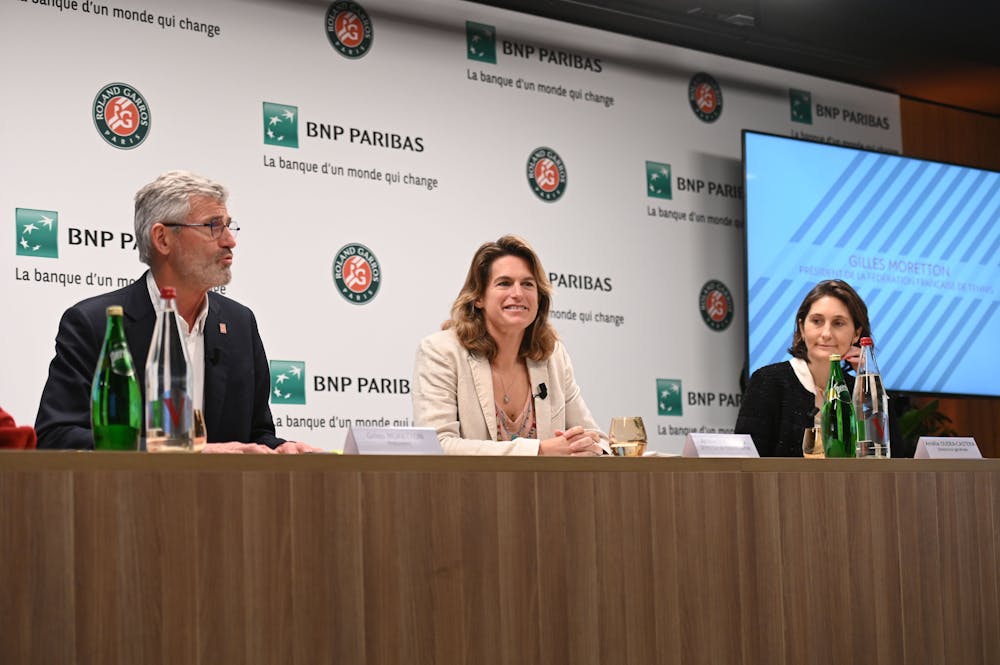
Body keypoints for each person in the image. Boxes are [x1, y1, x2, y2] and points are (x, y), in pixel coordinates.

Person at [35, 170, 319, 454]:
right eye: (213, 226)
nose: (230, 240)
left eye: (229, 226)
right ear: (162, 239)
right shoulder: (94, 323)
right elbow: (58, 437)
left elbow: (256, 434)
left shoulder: (239, 323)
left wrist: (283, 449)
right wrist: (182, 452)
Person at [412, 235, 608, 456]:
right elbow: (437, 445)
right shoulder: (441, 352)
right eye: (504, 283)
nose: (518, 294)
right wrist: (539, 451)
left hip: (543, 491)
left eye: (527, 284)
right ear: (478, 298)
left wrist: (588, 448)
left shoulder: (553, 355)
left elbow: (598, 440)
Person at [734, 279, 871, 457]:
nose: (826, 334)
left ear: (856, 334)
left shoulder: (859, 389)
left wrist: (867, 380)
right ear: (802, 328)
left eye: (838, 323)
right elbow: (745, 463)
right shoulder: (768, 381)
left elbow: (892, 458)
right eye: (817, 321)